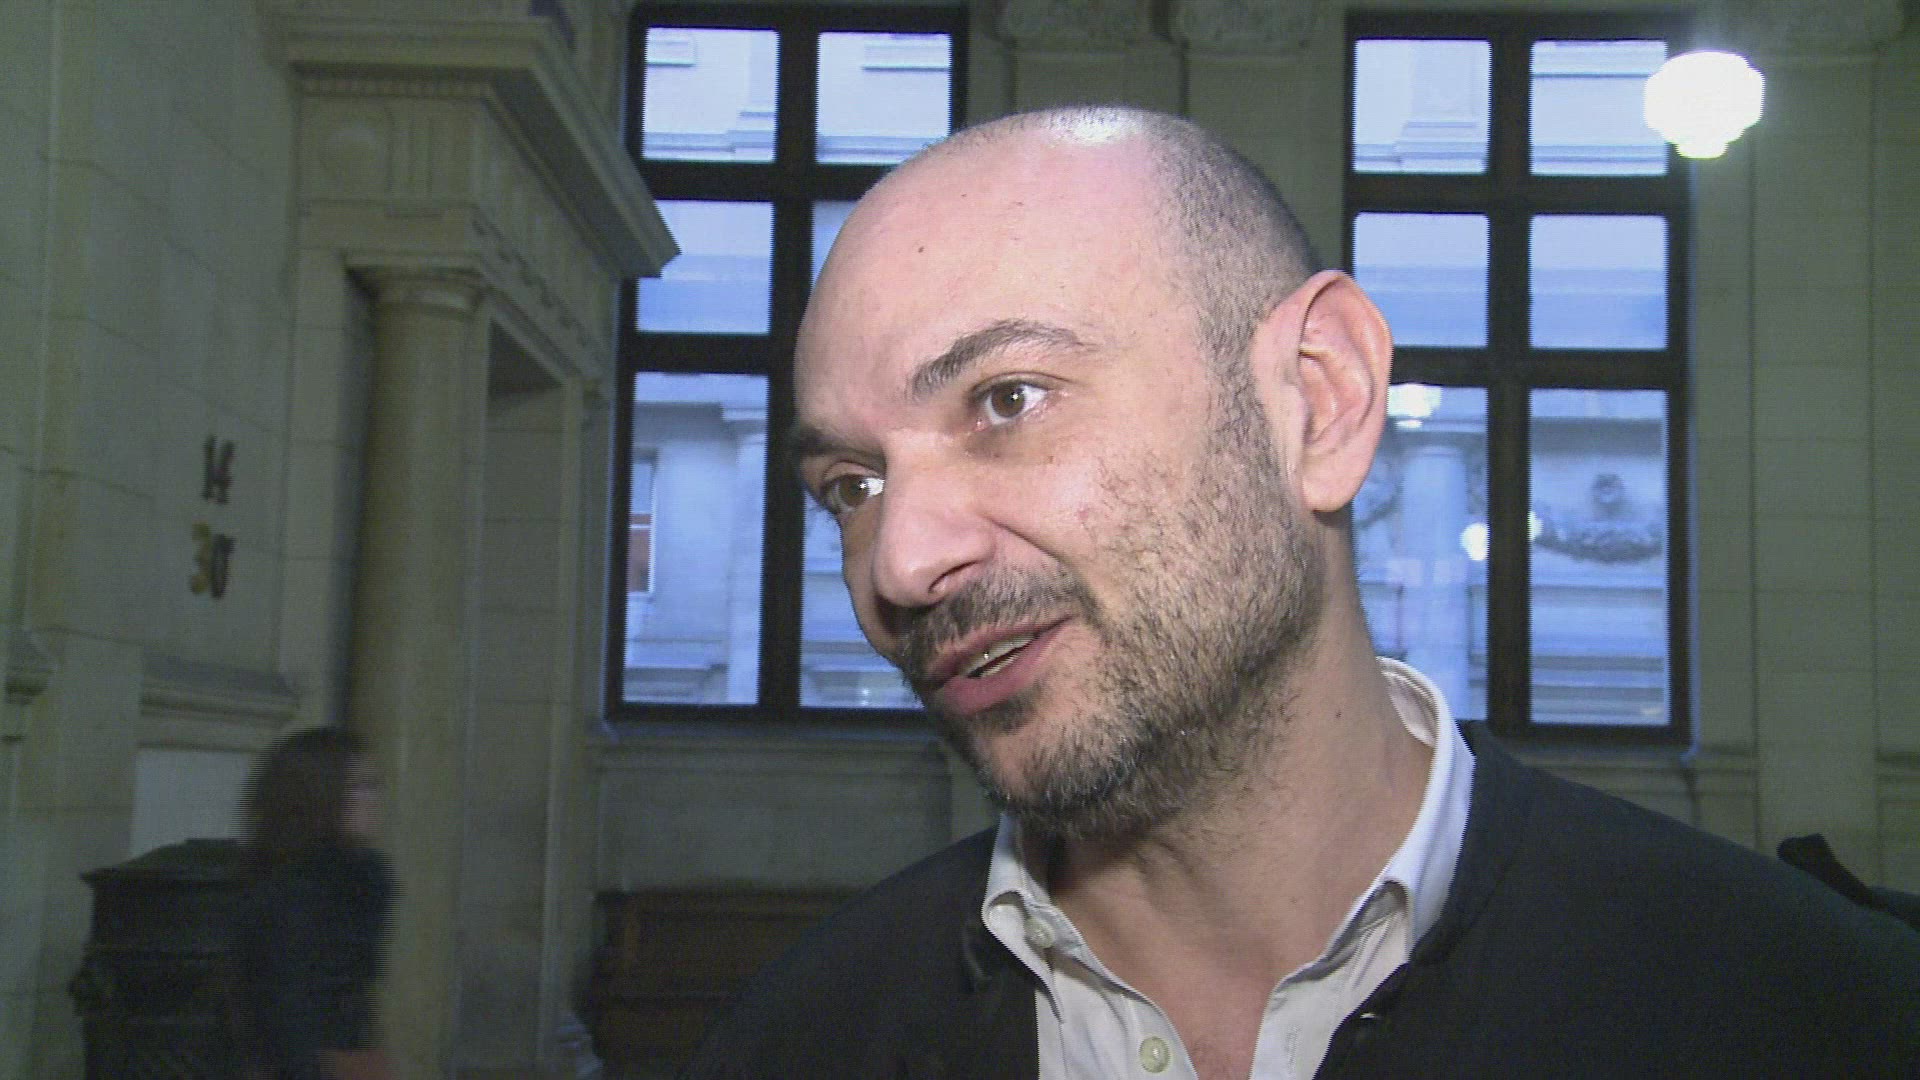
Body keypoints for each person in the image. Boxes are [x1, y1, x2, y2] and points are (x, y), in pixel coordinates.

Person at [682, 106, 1920, 1078]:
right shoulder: (795, 1044)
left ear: (1318, 403)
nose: (900, 563)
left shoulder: (1821, 1016)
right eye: (850, 485)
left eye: (1008, 400)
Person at [231, 726, 396, 1080]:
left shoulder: (361, 881)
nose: (373, 799)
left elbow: (354, 997)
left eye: (374, 785)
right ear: (320, 794)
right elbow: (285, 1007)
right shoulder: (291, 893)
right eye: (359, 787)